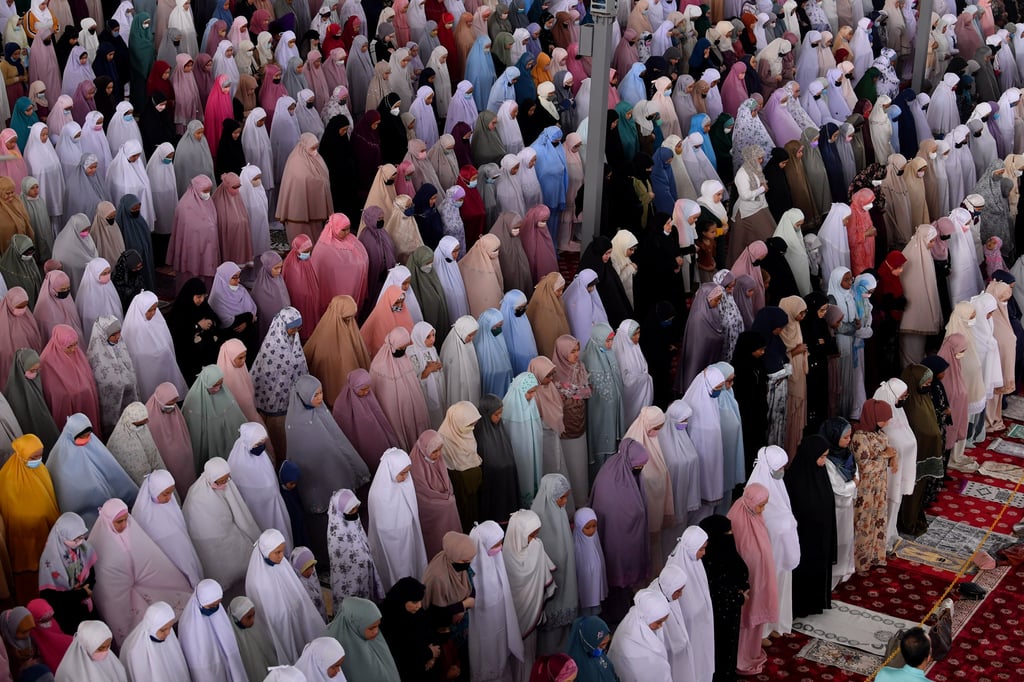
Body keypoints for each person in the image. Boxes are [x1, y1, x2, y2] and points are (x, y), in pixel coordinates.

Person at [87, 498, 192, 646]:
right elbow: (105, 577)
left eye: (126, 519)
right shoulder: (98, 543)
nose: (124, 524)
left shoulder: (132, 529)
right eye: (119, 522)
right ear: (107, 520)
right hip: (119, 592)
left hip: (143, 581)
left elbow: (148, 555)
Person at [181, 457, 261, 598]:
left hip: (229, 535)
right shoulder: (194, 495)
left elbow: (240, 511)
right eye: (221, 481)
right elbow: (189, 520)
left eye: (227, 479)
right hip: (208, 544)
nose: (225, 483)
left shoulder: (228, 485)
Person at [245, 528, 326, 664]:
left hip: (294, 619)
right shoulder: (256, 580)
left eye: (282, 551)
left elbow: (297, 592)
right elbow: (265, 616)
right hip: (279, 627)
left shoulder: (283, 565)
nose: (282, 556)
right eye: (277, 552)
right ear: (265, 551)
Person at [45, 413, 138, 527]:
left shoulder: (93, 443)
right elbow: (65, 490)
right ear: (71, 434)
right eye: (82, 436)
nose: (86, 439)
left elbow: (112, 468)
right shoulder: (59, 456)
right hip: (84, 505)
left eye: (89, 435)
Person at [0, 434, 58, 604]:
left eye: (40, 456)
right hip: (22, 541)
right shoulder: (6, 479)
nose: (38, 460)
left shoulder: (40, 469)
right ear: (21, 455)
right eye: (33, 457)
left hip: (43, 535)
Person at [786, 435, 837, 617]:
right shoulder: (796, 478)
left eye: (825, 457)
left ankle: (815, 603)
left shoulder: (820, 474)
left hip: (821, 535)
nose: (824, 462)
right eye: (821, 457)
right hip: (804, 538)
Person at [503, 509, 556, 682]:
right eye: (531, 535)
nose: (534, 539)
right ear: (518, 534)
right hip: (512, 615)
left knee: (528, 653)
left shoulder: (536, 547)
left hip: (531, 609)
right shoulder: (504, 557)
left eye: (536, 534)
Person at [468, 520, 524, 681]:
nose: (500, 547)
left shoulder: (497, 559)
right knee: (486, 650)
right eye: (496, 545)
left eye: (501, 543)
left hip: (499, 619)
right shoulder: (472, 572)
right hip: (483, 624)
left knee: (500, 650)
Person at [367, 448, 428, 591]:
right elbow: (378, 525)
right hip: (390, 540)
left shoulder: (406, 483)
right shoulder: (378, 494)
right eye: (402, 473)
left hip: (407, 535)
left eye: (408, 472)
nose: (406, 477)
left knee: (409, 565)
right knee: (395, 568)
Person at [177, 578, 249, 681]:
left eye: (218, 603)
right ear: (200, 602)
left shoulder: (218, 611)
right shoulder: (187, 625)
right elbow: (196, 660)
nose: (215, 607)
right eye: (211, 605)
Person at [37, 513, 97, 634]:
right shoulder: (50, 560)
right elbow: (50, 596)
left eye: (82, 537)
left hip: (85, 605)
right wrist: (82, 593)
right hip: (67, 613)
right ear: (62, 537)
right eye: (76, 539)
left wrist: (88, 587)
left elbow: (91, 571)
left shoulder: (83, 548)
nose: (81, 542)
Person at [326, 488, 385, 606]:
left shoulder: (353, 519)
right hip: (349, 577)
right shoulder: (336, 532)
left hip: (363, 571)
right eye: (351, 509)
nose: (355, 511)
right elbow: (341, 561)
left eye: (356, 508)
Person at [326, 597, 401, 680]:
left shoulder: (372, 636)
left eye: (377, 626)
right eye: (372, 628)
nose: (376, 632)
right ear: (354, 624)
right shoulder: (334, 646)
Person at [606, 588, 672, 682]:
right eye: (658, 622)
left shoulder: (641, 621)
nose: (661, 626)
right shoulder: (629, 638)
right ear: (648, 617)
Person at [120, 601, 190, 681]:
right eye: (163, 630)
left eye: (170, 627)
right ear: (152, 627)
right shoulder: (135, 652)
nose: (168, 633)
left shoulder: (169, 636)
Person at [54, 620, 129, 681]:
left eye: (108, 645)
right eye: (101, 648)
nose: (107, 652)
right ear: (87, 647)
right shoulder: (67, 673)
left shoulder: (110, 658)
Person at [228, 596, 277, 682]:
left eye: (253, 615)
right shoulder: (235, 643)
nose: (253, 621)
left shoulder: (256, 628)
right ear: (237, 619)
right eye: (248, 617)